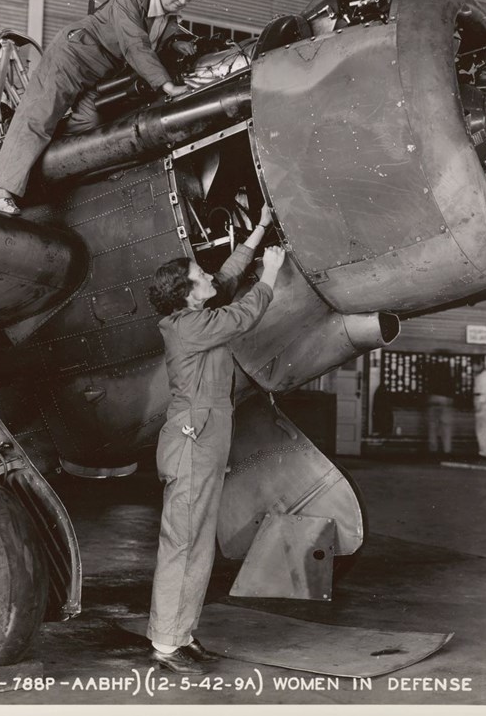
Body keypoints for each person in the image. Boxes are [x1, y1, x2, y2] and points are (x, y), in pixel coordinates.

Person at [146, 205, 284, 674]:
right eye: (198, 275)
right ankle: (165, 643)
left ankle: (180, 634)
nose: (208, 276)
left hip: (203, 441)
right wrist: (271, 275)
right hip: (191, 445)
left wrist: (260, 228)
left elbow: (224, 279)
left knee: (198, 542)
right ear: (186, 296)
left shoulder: (194, 312)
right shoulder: (188, 328)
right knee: (182, 542)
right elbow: (242, 316)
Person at [0, 0, 204, 215]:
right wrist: (167, 86)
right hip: (73, 56)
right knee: (40, 115)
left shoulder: (168, 20)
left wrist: (176, 43)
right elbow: (136, 45)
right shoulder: (130, 0)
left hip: (102, 76)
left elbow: (156, 40)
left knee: (89, 126)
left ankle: (36, 175)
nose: (183, 1)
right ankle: (3, 192)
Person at [425, 352, 456, 456]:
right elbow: (453, 387)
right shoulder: (449, 373)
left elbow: (428, 385)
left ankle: (433, 449)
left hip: (433, 399)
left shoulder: (432, 370)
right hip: (446, 401)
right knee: (446, 427)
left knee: (433, 427)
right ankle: (447, 450)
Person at [473, 357, 486, 458]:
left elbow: (485, 391)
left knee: (483, 427)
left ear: (480, 365)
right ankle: (482, 449)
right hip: (480, 400)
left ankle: (485, 450)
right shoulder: (480, 375)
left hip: (483, 402)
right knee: (481, 427)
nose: (474, 368)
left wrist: (479, 404)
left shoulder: (485, 376)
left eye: (475, 365)